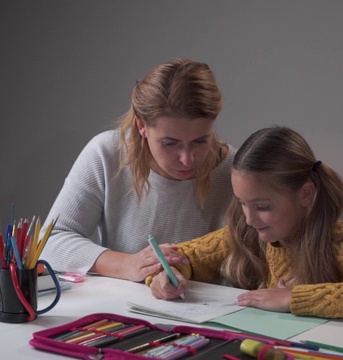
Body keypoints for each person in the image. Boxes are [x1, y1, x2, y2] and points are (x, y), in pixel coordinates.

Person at [149, 126, 343, 323]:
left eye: (263, 207)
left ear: (305, 193)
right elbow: (178, 257)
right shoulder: (243, 232)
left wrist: (294, 298)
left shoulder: (339, 241)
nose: (249, 219)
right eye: (242, 203)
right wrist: (165, 276)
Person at [41, 58, 236, 282]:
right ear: (141, 126)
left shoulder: (235, 170)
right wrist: (129, 264)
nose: (187, 159)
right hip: (123, 308)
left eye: (201, 141)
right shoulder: (107, 153)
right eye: (170, 143)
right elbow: (51, 241)